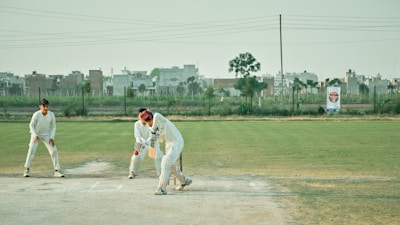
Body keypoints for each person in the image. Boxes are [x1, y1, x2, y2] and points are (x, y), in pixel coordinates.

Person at [139, 109, 192, 195]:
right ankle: (183, 181)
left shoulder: (160, 119)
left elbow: (156, 115)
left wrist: (152, 130)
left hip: (177, 142)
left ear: (151, 118)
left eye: (149, 121)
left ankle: (161, 188)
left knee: (166, 162)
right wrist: (144, 144)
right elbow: (152, 139)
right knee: (169, 165)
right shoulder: (152, 128)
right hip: (169, 145)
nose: (148, 124)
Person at [23, 99, 64, 178]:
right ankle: (26, 169)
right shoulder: (36, 114)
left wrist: (52, 137)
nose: (45, 108)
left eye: (47, 106)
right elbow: (31, 125)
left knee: (54, 150)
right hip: (37, 134)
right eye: (44, 106)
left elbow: (54, 126)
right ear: (40, 106)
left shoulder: (51, 114)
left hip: (47, 135)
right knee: (31, 149)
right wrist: (35, 135)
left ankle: (57, 170)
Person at [128, 108, 163, 179]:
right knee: (135, 154)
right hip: (141, 142)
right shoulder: (137, 124)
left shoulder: (150, 123)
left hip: (153, 142)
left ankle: (160, 173)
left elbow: (152, 136)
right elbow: (137, 136)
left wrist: (145, 143)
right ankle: (132, 172)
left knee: (158, 155)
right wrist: (139, 143)